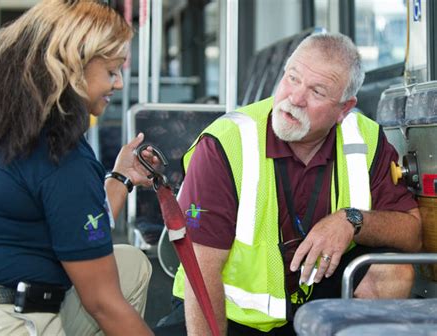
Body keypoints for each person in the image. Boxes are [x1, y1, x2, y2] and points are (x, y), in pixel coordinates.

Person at [170, 33, 422, 335]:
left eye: (317, 91)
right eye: (292, 78)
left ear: (344, 109)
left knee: (393, 271)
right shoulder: (227, 143)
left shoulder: (366, 139)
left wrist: (351, 221)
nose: (295, 98)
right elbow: (201, 271)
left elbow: (413, 234)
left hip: (319, 305)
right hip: (234, 317)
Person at [0, 1, 155, 335]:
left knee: (130, 264)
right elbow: (102, 303)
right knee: (110, 295)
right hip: (8, 321)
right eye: (111, 72)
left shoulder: (9, 128)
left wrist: (121, 178)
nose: (120, 84)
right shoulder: (60, 155)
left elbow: (76, 228)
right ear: (74, 68)